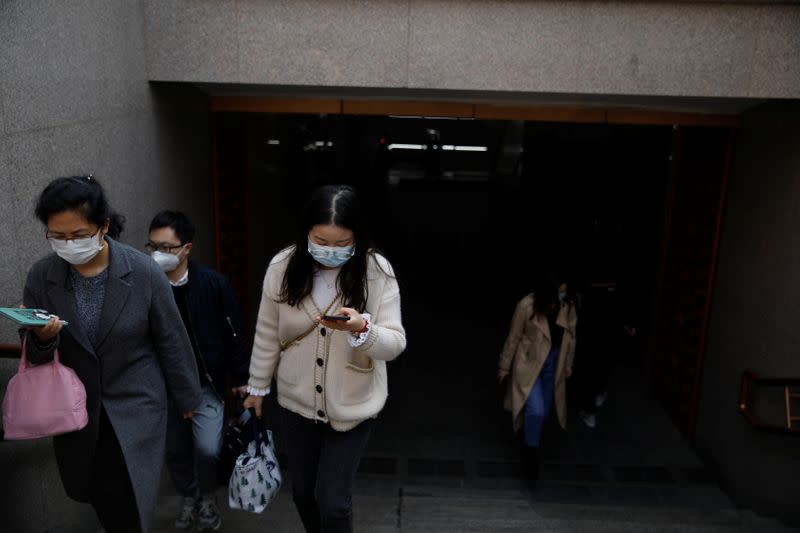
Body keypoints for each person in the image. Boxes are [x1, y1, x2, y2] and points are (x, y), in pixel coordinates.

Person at [21, 176, 202, 532]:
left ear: (103, 226)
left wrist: (187, 398)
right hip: (77, 412)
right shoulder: (43, 276)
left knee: (130, 505)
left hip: (136, 407)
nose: (68, 244)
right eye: (58, 236)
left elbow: (172, 340)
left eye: (78, 234)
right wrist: (42, 338)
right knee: (103, 498)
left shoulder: (143, 272)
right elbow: (36, 356)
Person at [243, 185, 406, 533]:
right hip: (296, 402)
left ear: (357, 238)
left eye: (341, 243)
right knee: (303, 494)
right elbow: (268, 331)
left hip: (353, 404)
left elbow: (395, 343)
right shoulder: (283, 266)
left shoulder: (376, 270)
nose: (330, 250)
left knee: (333, 503)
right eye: (321, 240)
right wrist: (257, 387)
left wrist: (363, 328)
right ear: (306, 234)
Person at [147, 210, 249, 531]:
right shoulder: (145, 285)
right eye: (153, 246)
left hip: (207, 384)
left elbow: (233, 332)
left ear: (186, 248)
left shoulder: (212, 284)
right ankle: (189, 497)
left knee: (207, 449)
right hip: (163, 387)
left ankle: (207, 496)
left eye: (167, 247)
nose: (158, 254)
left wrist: (242, 377)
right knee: (174, 450)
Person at [497, 276, 577, 484]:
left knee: (543, 412)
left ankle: (527, 440)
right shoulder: (526, 306)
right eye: (558, 290)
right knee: (536, 409)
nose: (561, 294)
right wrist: (504, 365)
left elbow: (571, 335)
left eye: (564, 289)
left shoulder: (567, 305)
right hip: (529, 364)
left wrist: (568, 363)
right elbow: (513, 336)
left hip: (553, 365)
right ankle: (530, 458)